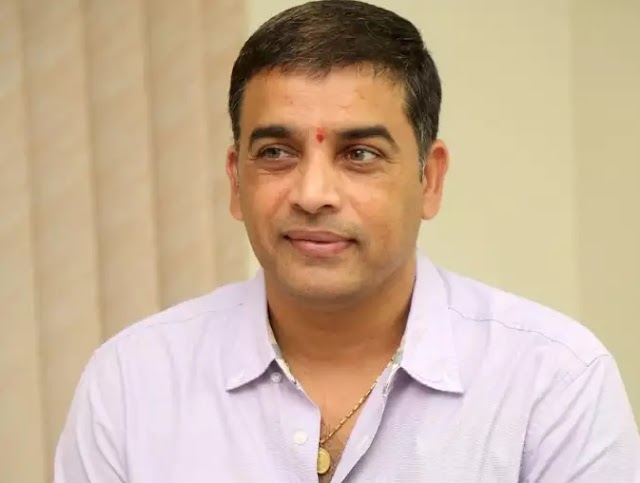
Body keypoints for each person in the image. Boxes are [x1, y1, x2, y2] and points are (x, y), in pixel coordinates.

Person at [54, 1, 640, 482]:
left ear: (430, 180)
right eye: (276, 152)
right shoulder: (132, 385)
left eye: (359, 154)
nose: (313, 194)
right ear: (236, 182)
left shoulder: (551, 381)